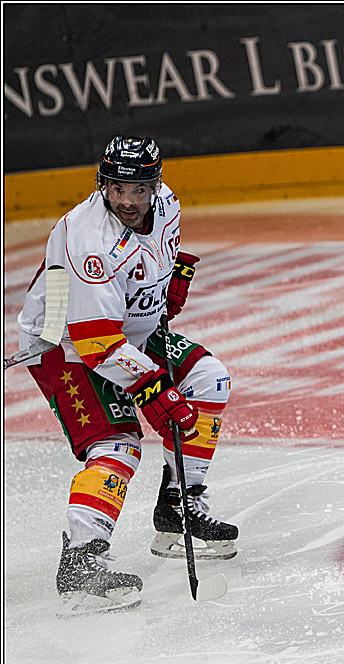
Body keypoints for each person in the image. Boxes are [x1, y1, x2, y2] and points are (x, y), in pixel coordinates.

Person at [16, 136, 237, 616]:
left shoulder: (168, 202)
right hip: (67, 346)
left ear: (155, 185)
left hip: (129, 333)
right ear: (103, 185)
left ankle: (178, 506)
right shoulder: (87, 236)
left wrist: (168, 283)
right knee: (119, 445)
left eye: (139, 189)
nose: (129, 201)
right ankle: (81, 561)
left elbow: (156, 253)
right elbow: (96, 340)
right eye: (118, 189)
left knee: (209, 379)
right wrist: (154, 388)